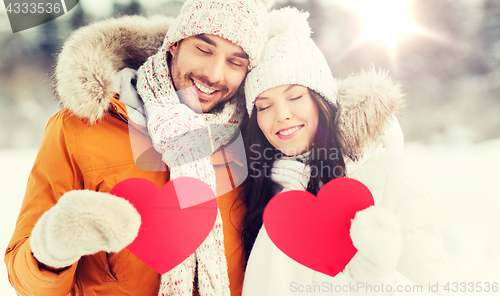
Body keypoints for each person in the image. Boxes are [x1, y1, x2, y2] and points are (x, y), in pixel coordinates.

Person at [4, 0, 273, 295]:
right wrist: (52, 248)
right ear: (174, 44)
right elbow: (25, 278)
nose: (214, 74)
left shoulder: (254, 135)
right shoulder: (81, 127)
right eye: (203, 49)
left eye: (236, 61)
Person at [241, 8, 449, 295]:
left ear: (321, 99)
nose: (282, 115)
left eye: (295, 96)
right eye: (264, 106)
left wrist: (374, 278)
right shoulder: (262, 187)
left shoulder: (387, 175)